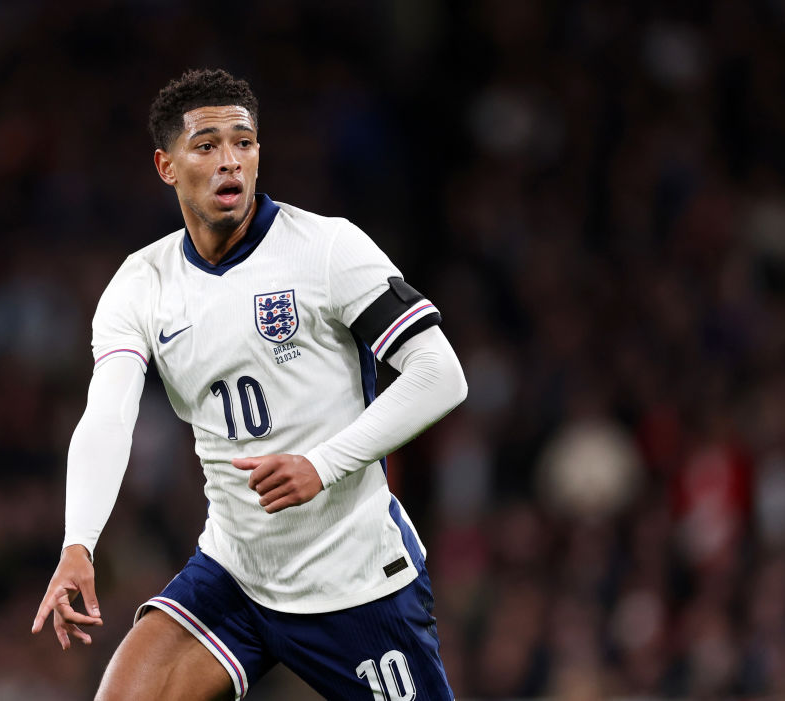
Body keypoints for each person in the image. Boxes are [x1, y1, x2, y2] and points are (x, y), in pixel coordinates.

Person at [31, 68, 467, 700]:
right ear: (167, 166)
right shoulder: (141, 283)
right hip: (237, 573)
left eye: (244, 142)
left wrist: (322, 464)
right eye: (206, 145)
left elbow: (439, 374)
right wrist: (79, 544)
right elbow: (107, 415)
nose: (230, 160)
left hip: (355, 581)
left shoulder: (326, 248)